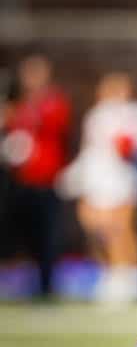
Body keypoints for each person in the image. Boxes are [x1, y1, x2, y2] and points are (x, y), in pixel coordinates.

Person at [59, 72, 137, 303]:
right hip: (98, 180)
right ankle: (109, 272)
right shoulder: (96, 116)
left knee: (122, 228)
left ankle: (128, 276)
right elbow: (90, 149)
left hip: (125, 180)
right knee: (97, 228)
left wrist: (130, 147)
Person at [1, 54, 71, 298]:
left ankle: (46, 286)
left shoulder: (52, 101)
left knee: (47, 235)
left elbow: (51, 124)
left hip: (46, 180)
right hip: (22, 179)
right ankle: (23, 282)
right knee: (22, 232)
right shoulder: (21, 104)